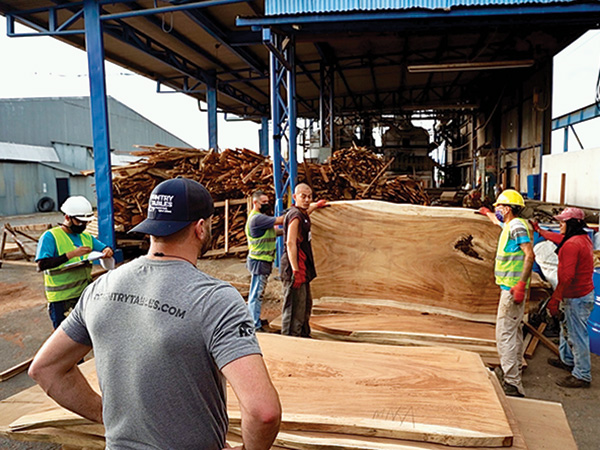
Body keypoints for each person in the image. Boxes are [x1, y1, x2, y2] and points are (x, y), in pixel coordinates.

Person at [28, 178, 281, 450]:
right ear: (200, 228)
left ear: (151, 228)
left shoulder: (100, 287)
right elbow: (263, 412)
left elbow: (45, 369)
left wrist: (112, 416)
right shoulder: (215, 299)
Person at [479, 189, 534, 397]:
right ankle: (515, 374)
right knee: (514, 331)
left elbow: (530, 255)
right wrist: (487, 213)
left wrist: (520, 284)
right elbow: (498, 222)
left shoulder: (517, 226)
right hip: (511, 287)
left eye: (499, 207)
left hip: (512, 289)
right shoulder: (510, 225)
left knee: (504, 334)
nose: (498, 210)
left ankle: (512, 383)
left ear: (508, 208)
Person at [531, 207, 594, 388]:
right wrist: (540, 231)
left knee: (576, 335)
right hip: (582, 294)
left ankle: (582, 374)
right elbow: (560, 239)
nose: (559, 225)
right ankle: (567, 360)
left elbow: (566, 278)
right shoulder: (581, 238)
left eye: (562, 222)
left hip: (576, 297)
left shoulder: (572, 245)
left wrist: (555, 300)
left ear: (572, 223)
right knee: (567, 330)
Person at [35, 196, 113, 329]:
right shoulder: (50, 237)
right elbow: (42, 265)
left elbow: (103, 247)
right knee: (63, 334)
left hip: (83, 293)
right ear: (67, 217)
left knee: (86, 330)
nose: (83, 226)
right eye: (79, 222)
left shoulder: (86, 236)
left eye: (85, 223)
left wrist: (107, 250)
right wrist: (71, 255)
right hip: (60, 298)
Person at [280, 183, 327, 337]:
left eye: (309, 197)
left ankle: (304, 336)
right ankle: (291, 338)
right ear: (295, 197)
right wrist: (295, 269)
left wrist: (317, 205)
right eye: (303, 197)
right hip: (295, 266)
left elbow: (309, 209)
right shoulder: (295, 216)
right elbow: (290, 243)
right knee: (295, 307)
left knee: (306, 304)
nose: (307, 200)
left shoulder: (303, 212)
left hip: (303, 266)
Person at [245, 190, 283, 332]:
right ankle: (254, 324)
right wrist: (296, 213)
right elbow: (280, 220)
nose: (267, 204)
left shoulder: (259, 219)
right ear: (255, 202)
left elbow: (274, 231)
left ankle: (254, 318)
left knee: (256, 292)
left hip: (261, 261)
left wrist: (286, 231)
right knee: (257, 293)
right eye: (264, 202)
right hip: (259, 261)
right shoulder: (257, 219)